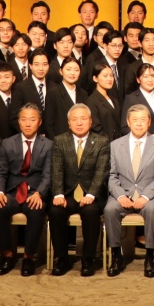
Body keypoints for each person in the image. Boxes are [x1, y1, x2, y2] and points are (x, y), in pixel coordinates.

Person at [104, 104, 154, 278]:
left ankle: (149, 257)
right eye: (135, 120)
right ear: (128, 122)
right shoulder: (116, 145)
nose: (139, 123)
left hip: (149, 195)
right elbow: (111, 176)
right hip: (123, 193)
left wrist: (146, 196)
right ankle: (116, 255)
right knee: (110, 209)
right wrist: (120, 196)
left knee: (153, 210)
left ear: (149, 122)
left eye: (143, 120)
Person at [48, 104, 110, 277]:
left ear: (90, 121)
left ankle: (88, 259)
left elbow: (101, 171)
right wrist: (58, 194)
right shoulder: (60, 140)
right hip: (68, 193)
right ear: (69, 123)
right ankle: (61, 259)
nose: (79, 123)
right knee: (55, 211)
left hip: (91, 193)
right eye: (75, 119)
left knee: (90, 212)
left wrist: (91, 194)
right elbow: (57, 169)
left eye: (83, 119)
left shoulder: (101, 141)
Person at [0, 105, 51, 276]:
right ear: (18, 122)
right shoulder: (7, 143)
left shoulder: (48, 145)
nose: (28, 124)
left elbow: (48, 175)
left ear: (39, 122)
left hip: (34, 192)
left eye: (32, 120)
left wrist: (40, 193)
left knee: (36, 210)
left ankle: (28, 258)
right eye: (24, 119)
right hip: (12, 192)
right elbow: (0, 172)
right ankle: (7, 255)